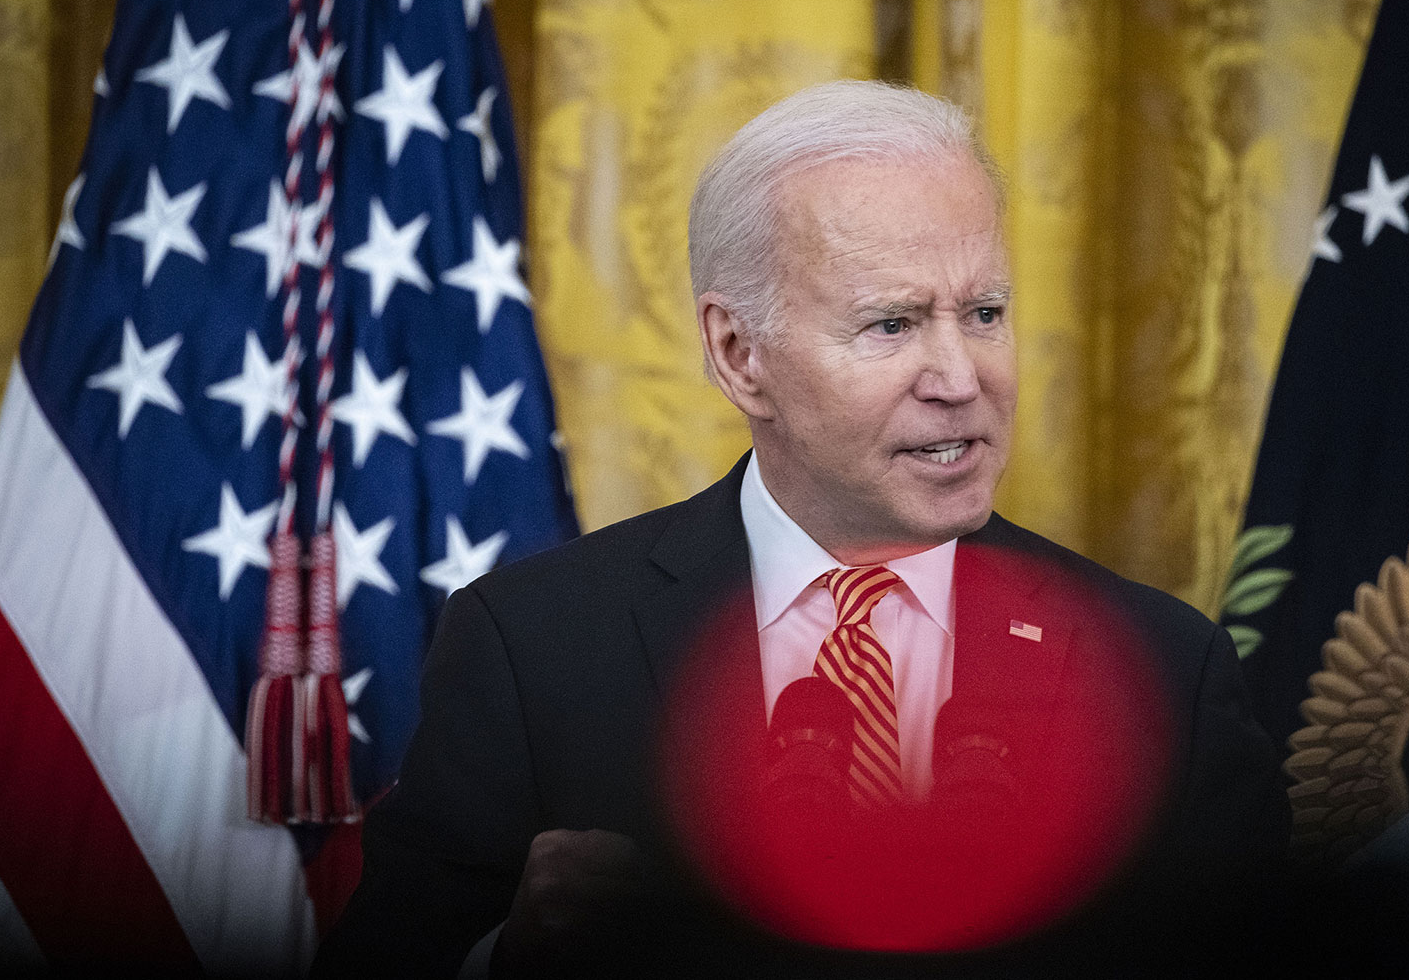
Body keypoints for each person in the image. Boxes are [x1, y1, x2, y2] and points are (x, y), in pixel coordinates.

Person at [313, 80, 1290, 979]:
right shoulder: (530, 645)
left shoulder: (1165, 672)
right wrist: (508, 954)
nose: (962, 377)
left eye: (984, 311)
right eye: (891, 324)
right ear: (739, 355)